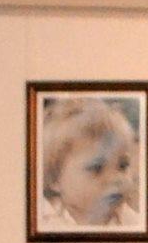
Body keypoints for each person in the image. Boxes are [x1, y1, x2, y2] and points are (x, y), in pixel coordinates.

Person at [39, 97, 141, 229]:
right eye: (96, 168)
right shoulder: (45, 223)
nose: (116, 179)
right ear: (55, 179)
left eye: (122, 166)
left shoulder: (131, 221)